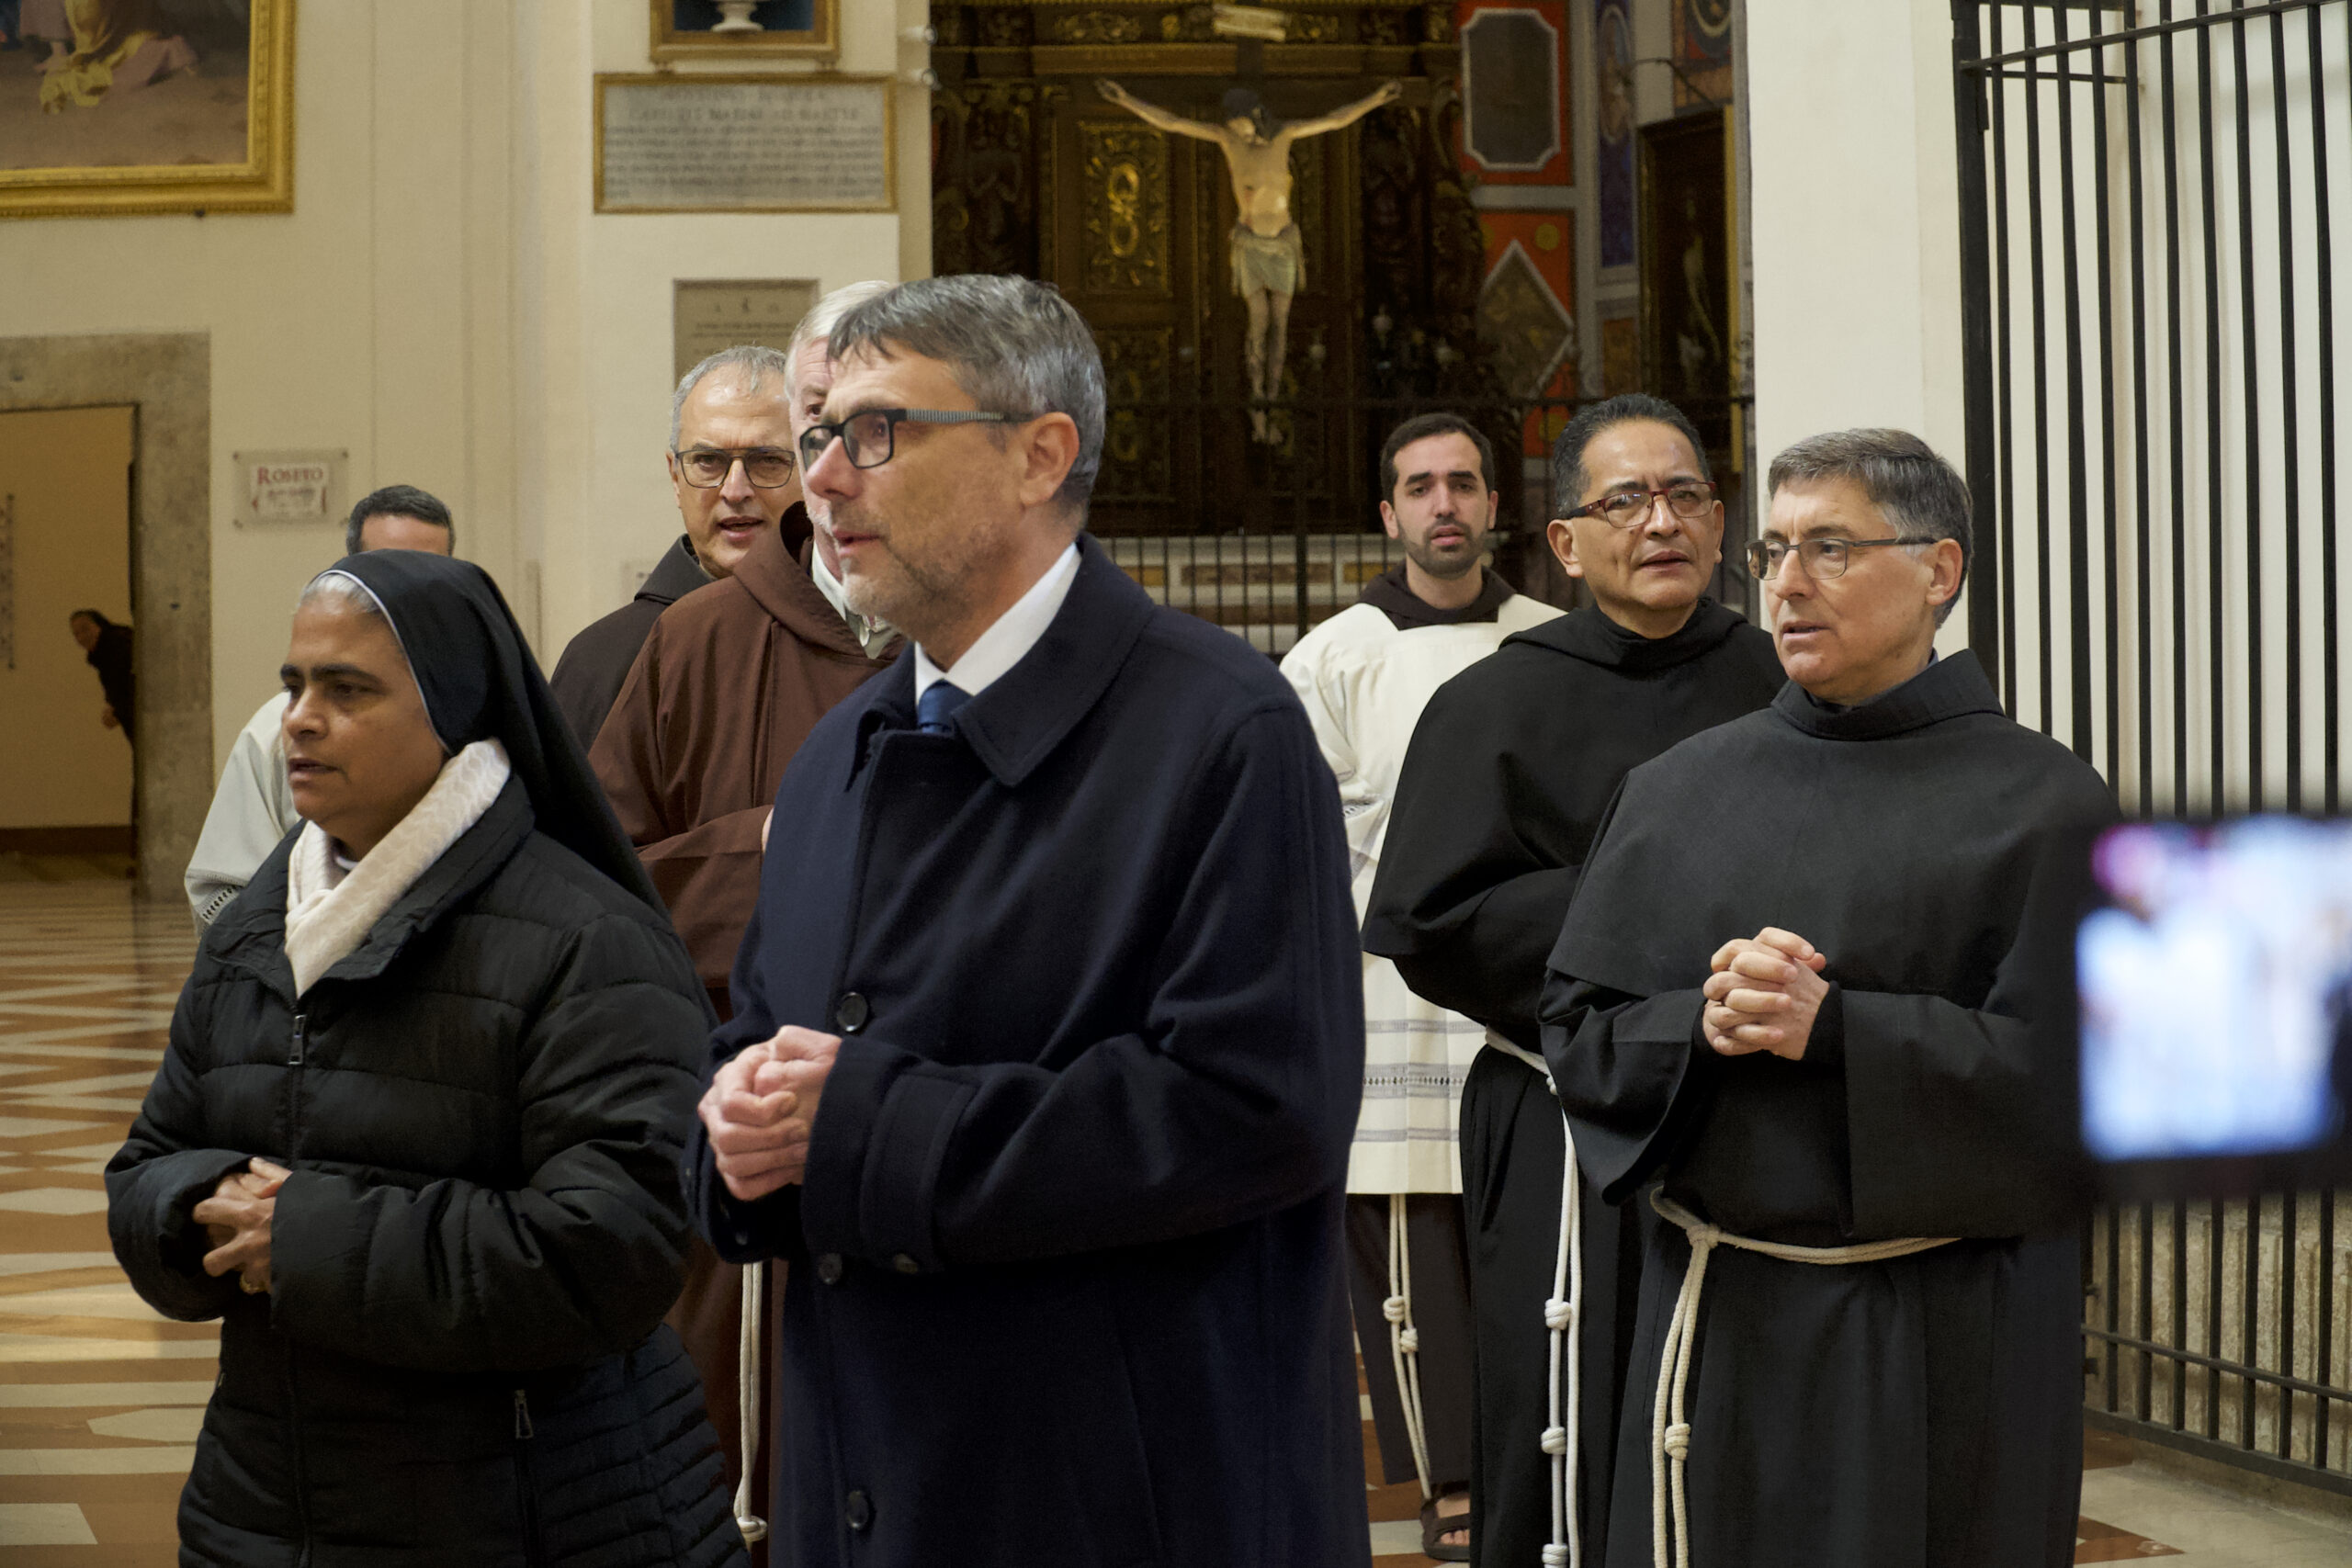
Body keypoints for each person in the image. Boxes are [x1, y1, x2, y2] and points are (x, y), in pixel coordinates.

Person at [683, 275, 1369, 1566]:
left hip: (1116, 1492)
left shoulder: (1222, 731)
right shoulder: (843, 753)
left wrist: (867, 1124)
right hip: (871, 1481)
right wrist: (732, 1122)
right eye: (818, 432)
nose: (820, 480)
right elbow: (767, 1034)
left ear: (1038, 452)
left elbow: (1252, 1107)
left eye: (875, 432)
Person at [1539, 429, 2115, 1567]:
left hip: (1940, 1340)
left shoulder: (2047, 804)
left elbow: (2088, 1091)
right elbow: (1580, 1034)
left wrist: (1838, 1031)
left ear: (1939, 572)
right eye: (1772, 551)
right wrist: (1697, 1027)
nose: (1787, 585)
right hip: (1714, 1325)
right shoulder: (1678, 790)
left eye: (1832, 549)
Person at [107, 549, 746, 1567]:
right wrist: (195, 1208)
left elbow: (616, 1248)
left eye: (348, 689)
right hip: (271, 1504)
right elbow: (146, 1165)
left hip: (529, 1514)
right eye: (293, 686)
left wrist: (302, 1235)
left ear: (454, 710)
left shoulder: (587, 941)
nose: (299, 720)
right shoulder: (253, 932)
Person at [1364, 394, 1782, 1568]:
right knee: (1569, 1420)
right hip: (1562, 1117)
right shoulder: (1495, 700)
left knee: (1729, 1411)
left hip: (1747, 1104)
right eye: (1626, 502)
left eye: (1688, 495)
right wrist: (1646, 912)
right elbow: (1426, 921)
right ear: (1563, 542)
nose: (1663, 523)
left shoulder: (1783, 684)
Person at [592, 279, 899, 1553]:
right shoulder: (692, 642)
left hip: (913, 1124)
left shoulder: (967, 629)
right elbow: (598, 882)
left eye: (770, 452)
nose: (765, 481)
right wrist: (764, 851)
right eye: (711, 461)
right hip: (731, 1119)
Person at [1279, 411, 1559, 1560]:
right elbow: (1301, 823)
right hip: (1387, 987)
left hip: (1518, 992)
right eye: (1418, 487)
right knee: (1407, 1254)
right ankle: (1449, 1484)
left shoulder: (1552, 643)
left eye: (1463, 484)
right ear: (1386, 514)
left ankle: (1530, 1466)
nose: (1443, 504)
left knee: (1526, 1239)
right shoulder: (1334, 654)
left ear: (1496, 507)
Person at [182, 485, 458, 925]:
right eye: (385, 568)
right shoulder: (277, 729)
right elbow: (220, 892)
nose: (406, 592)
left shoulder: (477, 721)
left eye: (427, 572)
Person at [1096, 76, 1400, 441]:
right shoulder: (1228, 141)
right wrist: (1127, 99)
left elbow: (1334, 120)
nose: (1230, 125)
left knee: (1281, 324)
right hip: (1251, 245)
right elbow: (1174, 123)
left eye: (1236, 119)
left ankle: (1273, 401)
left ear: (1254, 114)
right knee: (1257, 324)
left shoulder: (1283, 136)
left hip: (1283, 244)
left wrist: (1375, 98)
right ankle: (1257, 406)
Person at [549, 344, 812, 748]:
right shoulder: (605, 660)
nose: (735, 490)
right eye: (708, 461)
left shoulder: (862, 636)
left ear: (814, 470)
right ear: (675, 478)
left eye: (768, 460)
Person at [67, 607, 133, 746]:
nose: (81, 637)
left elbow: (131, 689)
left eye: (85, 629)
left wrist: (117, 713)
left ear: (99, 625)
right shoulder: (105, 655)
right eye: (76, 634)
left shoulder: (118, 647)